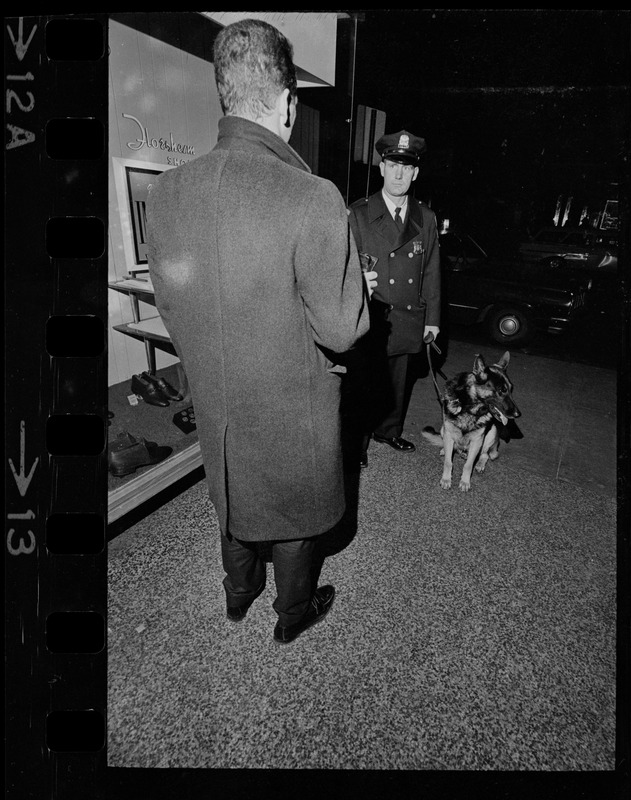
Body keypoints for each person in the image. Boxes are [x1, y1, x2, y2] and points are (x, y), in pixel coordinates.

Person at [146, 19, 373, 645]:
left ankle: (238, 597)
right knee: (295, 512)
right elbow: (344, 328)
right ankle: (292, 614)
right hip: (290, 403)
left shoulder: (166, 194)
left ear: (227, 95)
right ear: (286, 103)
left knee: (234, 491)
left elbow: (171, 302)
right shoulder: (311, 196)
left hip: (219, 397)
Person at [347, 130, 441, 464]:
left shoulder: (425, 218)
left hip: (407, 316)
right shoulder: (358, 215)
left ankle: (389, 431)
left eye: (406, 166)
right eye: (392, 164)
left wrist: (433, 320)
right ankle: (356, 443)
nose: (399, 173)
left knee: (398, 382)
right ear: (382, 168)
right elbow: (344, 269)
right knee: (363, 384)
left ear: (415, 172)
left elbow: (430, 269)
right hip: (370, 316)